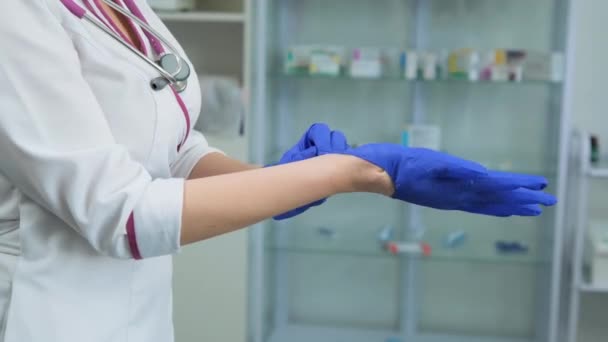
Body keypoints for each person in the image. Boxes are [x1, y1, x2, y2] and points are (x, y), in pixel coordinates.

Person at [0, 1, 556, 342]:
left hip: (137, 314)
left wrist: (273, 183)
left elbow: (173, 149)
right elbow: (121, 216)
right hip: (46, 315)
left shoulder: (120, 3)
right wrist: (354, 172)